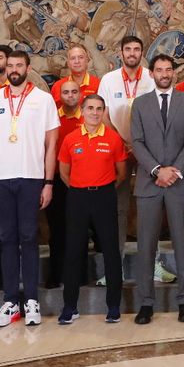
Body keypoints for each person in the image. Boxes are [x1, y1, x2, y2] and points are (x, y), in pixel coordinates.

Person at [0, 50, 60, 327]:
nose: (13, 69)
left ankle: (32, 301)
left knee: (29, 238)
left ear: (27, 68)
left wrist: (48, 182)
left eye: (18, 65)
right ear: (3, 67)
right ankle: (11, 301)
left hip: (31, 177)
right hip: (0, 180)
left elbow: (51, 146)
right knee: (6, 239)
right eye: (9, 65)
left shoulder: (43, 99)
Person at [98, 35, 175, 285]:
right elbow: (104, 115)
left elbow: (161, 112)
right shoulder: (109, 80)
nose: (132, 53)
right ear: (121, 53)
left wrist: (140, 146)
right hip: (117, 151)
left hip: (149, 154)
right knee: (116, 210)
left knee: (150, 210)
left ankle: (153, 264)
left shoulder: (151, 77)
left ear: (142, 53)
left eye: (136, 49)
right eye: (128, 49)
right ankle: (114, 267)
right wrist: (123, 143)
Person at [130, 54, 184, 325]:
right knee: (146, 245)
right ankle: (146, 303)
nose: (164, 74)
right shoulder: (140, 104)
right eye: (159, 70)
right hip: (150, 182)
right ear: (151, 73)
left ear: (174, 72)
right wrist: (158, 170)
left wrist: (173, 171)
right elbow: (136, 141)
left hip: (179, 181)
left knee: (183, 243)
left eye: (168, 69)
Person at [57, 94, 128, 324]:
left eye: (99, 109)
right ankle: (70, 306)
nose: (94, 113)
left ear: (103, 111)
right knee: (73, 252)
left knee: (110, 251)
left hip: (105, 196)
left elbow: (121, 173)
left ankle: (114, 307)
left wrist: (101, 188)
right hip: (77, 197)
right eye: (90, 108)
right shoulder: (71, 139)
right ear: (82, 110)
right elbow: (63, 172)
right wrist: (81, 189)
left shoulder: (113, 139)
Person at [47, 80, 83, 289]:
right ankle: (55, 272)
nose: (70, 96)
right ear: (59, 95)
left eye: (74, 92)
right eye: (66, 92)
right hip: (57, 180)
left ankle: (79, 273)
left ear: (80, 94)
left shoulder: (88, 116)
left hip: (81, 180)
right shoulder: (52, 118)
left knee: (78, 230)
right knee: (57, 229)